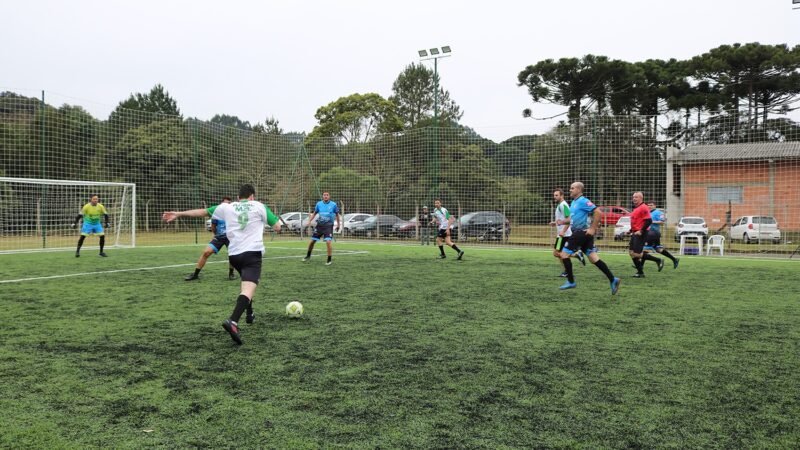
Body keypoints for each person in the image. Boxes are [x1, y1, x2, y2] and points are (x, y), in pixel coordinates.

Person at [162, 184, 281, 345]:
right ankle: (233, 321)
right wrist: (270, 222)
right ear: (252, 196)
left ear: (239, 197)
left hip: (234, 256)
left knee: (246, 283)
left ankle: (250, 313)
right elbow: (277, 227)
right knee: (248, 287)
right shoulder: (260, 206)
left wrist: (178, 213)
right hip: (252, 253)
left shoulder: (227, 207)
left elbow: (202, 212)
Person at [559, 182, 620, 295]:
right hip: (583, 234)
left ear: (578, 189)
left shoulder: (583, 201)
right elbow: (572, 219)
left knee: (563, 255)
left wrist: (593, 228)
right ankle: (613, 279)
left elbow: (598, 212)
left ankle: (571, 281)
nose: (570, 190)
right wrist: (560, 222)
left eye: (572, 188)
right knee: (593, 258)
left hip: (580, 233)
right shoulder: (574, 202)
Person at [184, 196, 237, 281]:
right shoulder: (216, 214)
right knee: (206, 252)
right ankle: (195, 274)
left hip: (230, 238)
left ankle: (231, 273)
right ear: (221, 204)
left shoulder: (234, 214)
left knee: (232, 255)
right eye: (226, 203)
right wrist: (217, 235)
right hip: (219, 238)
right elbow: (213, 227)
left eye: (229, 203)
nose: (227, 205)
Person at [549, 189, 585, 277]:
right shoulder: (560, 205)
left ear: (562, 196)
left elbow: (569, 220)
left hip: (563, 235)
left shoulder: (563, 205)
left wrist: (563, 231)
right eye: (554, 195)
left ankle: (576, 255)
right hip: (563, 234)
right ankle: (567, 271)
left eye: (557, 195)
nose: (555, 197)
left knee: (556, 253)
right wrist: (555, 222)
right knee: (560, 253)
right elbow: (563, 219)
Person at [302, 191, 342, 266]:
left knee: (328, 242)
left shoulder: (333, 205)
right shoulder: (319, 204)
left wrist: (338, 225)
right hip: (319, 226)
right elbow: (314, 213)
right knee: (312, 241)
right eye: (324, 195)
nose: (326, 196)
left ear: (329, 196)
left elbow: (337, 215)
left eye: (327, 195)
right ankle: (308, 256)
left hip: (328, 226)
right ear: (322, 196)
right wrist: (309, 221)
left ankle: (329, 259)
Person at [628, 191, 659, 278]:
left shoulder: (644, 207)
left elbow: (649, 221)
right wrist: (631, 230)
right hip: (635, 233)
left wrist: (641, 231)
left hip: (641, 233)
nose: (634, 198)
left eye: (636, 197)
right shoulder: (636, 208)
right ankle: (640, 272)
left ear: (641, 198)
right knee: (631, 252)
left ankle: (658, 260)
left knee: (637, 254)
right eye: (633, 197)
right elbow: (637, 221)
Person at [644, 201, 679, 269]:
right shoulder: (647, 213)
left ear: (655, 206)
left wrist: (652, 222)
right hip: (649, 234)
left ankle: (641, 267)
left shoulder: (659, 212)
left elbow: (662, 222)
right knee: (658, 249)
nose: (649, 206)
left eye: (651, 205)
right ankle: (674, 259)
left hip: (653, 234)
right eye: (648, 205)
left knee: (644, 250)